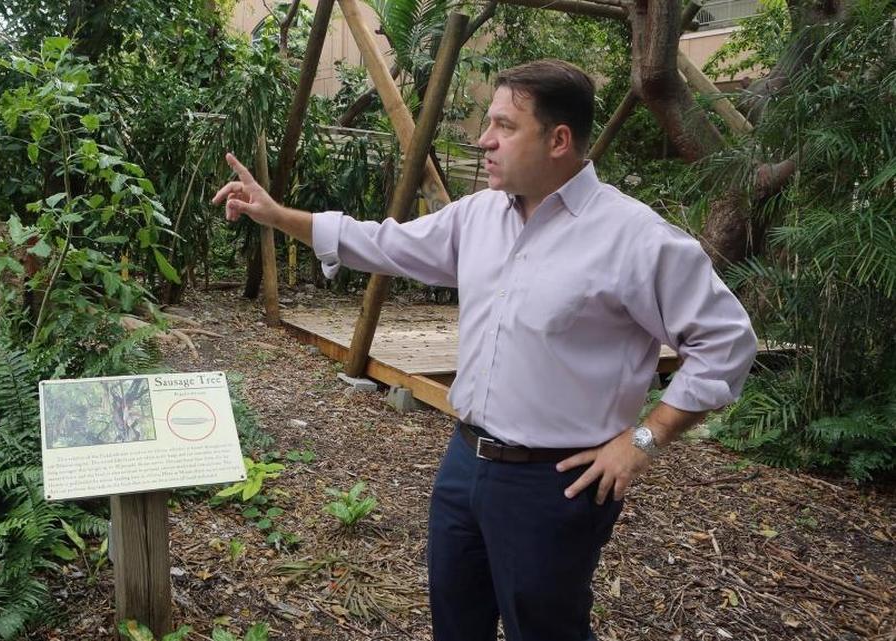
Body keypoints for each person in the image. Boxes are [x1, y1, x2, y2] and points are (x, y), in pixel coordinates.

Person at [212, 59, 757, 641]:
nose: (484, 139)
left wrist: (643, 441)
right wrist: (275, 215)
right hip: (464, 463)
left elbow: (726, 342)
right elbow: (378, 242)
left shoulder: (634, 238)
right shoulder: (478, 217)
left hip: (556, 483)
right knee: (456, 621)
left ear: (559, 140)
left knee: (544, 629)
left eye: (503, 125)